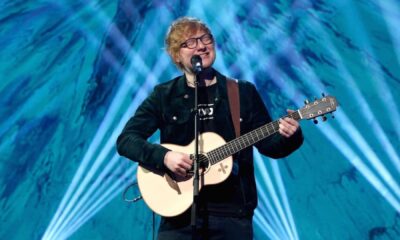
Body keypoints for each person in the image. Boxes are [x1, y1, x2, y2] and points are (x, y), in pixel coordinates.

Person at [116, 17, 303, 240]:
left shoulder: (241, 92)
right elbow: (126, 140)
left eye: (206, 39)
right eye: (191, 42)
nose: (202, 46)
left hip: (232, 215)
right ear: (176, 55)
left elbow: (269, 146)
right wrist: (165, 157)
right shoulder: (164, 95)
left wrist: (289, 136)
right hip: (177, 215)